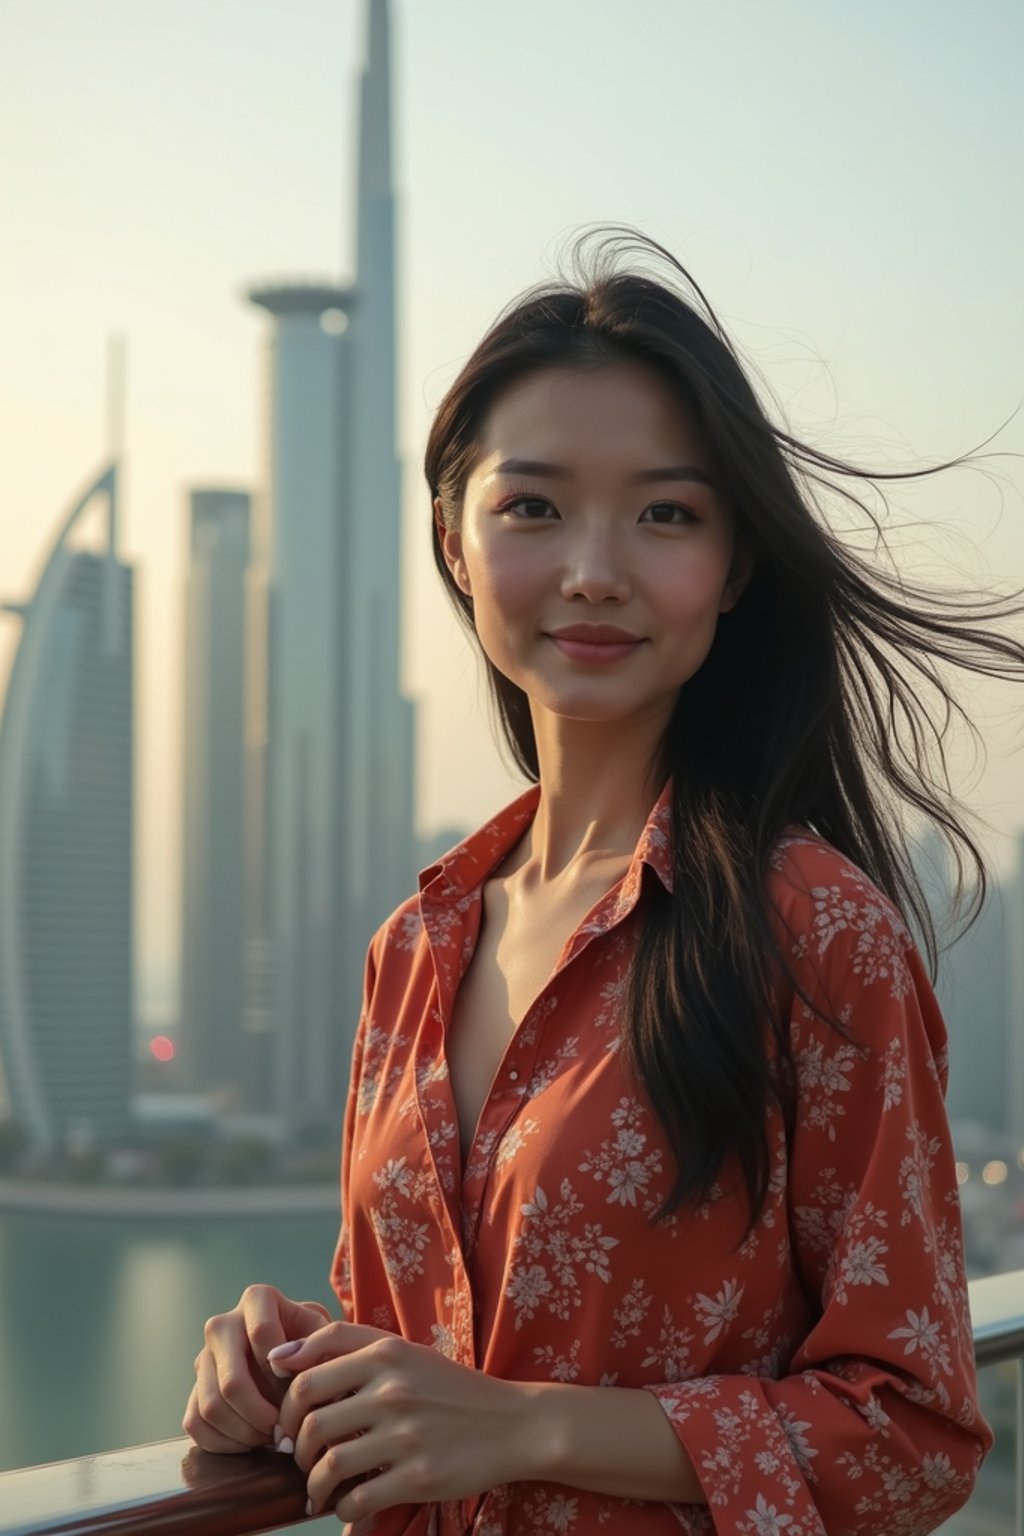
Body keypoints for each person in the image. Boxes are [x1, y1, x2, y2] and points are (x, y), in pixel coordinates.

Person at [183, 227, 1023, 1535]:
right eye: (532, 505)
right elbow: (428, 1349)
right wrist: (289, 1362)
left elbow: (914, 1431)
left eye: (665, 514)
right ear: (457, 544)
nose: (593, 568)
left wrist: (527, 1425)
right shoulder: (415, 944)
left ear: (734, 565)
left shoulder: (813, 930)